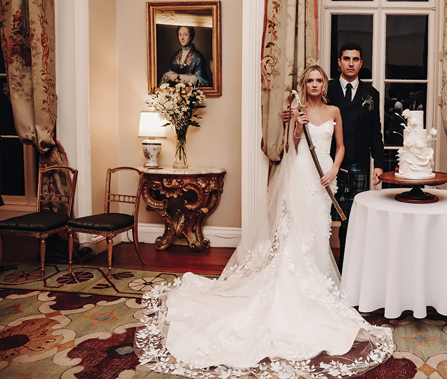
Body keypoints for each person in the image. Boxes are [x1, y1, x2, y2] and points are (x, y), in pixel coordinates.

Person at [135, 65, 395, 378]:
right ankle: (296, 286)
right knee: (296, 232)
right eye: (310, 80)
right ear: (304, 84)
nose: (314, 84)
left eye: (318, 80)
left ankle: (319, 285)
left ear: (324, 83)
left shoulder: (335, 110)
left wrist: (333, 169)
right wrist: (296, 128)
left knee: (318, 230)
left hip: (324, 176)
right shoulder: (295, 112)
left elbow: (341, 147)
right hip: (301, 174)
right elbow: (292, 149)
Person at [328, 43, 385, 271]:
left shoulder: (371, 94)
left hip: (358, 164)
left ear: (361, 63)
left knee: (351, 221)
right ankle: (323, 267)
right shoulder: (326, 90)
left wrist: (379, 164)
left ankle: (348, 268)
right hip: (329, 164)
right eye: (346, 58)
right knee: (323, 216)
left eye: (355, 59)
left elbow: (375, 131)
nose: (350, 63)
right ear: (339, 62)